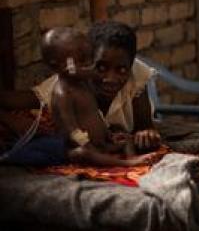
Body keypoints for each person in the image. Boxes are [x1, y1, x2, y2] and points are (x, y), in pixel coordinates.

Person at [33, 21, 161, 150]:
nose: (110, 79)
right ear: (87, 60)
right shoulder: (66, 85)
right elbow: (30, 99)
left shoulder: (137, 77)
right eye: (101, 67)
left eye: (121, 70)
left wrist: (146, 134)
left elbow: (144, 125)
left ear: (131, 66)